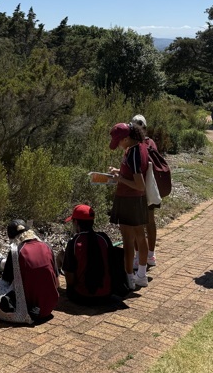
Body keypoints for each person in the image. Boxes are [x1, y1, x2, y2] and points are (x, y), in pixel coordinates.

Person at [0, 219, 59, 324]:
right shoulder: (47, 246)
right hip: (49, 307)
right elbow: (57, 283)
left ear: (13, 238)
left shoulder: (15, 252)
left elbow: (6, 281)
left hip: (30, 311)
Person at [108, 121, 150, 290]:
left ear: (126, 139)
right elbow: (135, 174)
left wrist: (119, 179)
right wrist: (119, 172)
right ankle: (141, 275)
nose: (118, 145)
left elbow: (139, 184)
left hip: (129, 200)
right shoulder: (139, 148)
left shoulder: (132, 153)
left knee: (128, 240)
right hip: (137, 200)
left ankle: (129, 279)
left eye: (118, 141)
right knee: (140, 235)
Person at [62, 204, 115, 305]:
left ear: (76, 222)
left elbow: (70, 280)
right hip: (106, 294)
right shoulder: (103, 238)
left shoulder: (74, 243)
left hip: (82, 297)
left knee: (62, 255)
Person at [131, 114, 159, 269]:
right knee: (150, 221)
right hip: (151, 188)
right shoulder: (151, 143)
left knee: (138, 223)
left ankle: (138, 256)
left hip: (138, 189)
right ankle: (150, 254)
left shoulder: (134, 146)